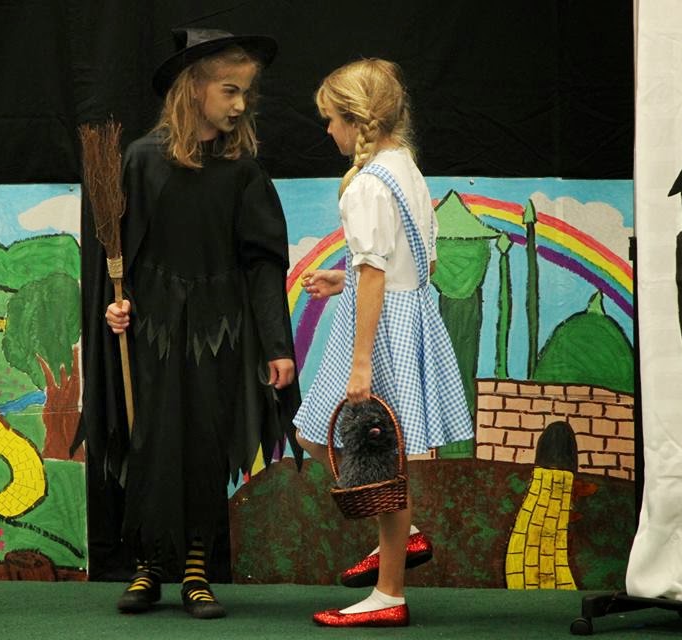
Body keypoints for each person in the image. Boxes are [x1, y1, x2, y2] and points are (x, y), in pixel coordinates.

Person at [103, 28, 300, 620]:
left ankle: (196, 568)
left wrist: (277, 344)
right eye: (229, 90)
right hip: (153, 330)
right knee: (150, 439)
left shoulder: (242, 172)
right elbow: (116, 253)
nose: (240, 104)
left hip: (219, 331)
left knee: (205, 442)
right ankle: (147, 565)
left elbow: (263, 263)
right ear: (194, 89)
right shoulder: (140, 161)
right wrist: (115, 305)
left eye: (246, 93)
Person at [293, 58, 473, 627]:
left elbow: (375, 272)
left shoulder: (369, 183)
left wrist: (361, 362)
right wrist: (342, 280)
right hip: (405, 316)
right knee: (334, 440)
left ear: (355, 120)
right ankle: (403, 536)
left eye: (331, 119)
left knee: (372, 456)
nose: (328, 130)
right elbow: (415, 265)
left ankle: (390, 592)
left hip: (378, 332)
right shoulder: (406, 169)